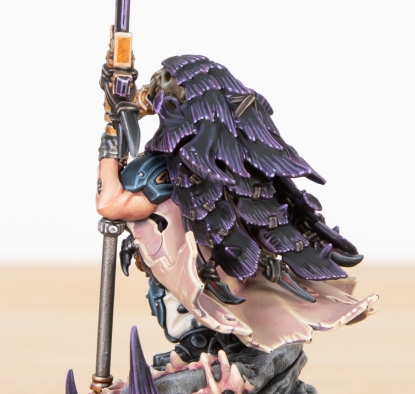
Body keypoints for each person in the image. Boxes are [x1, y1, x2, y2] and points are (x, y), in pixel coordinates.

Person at [96, 55, 378, 394]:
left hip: (207, 297)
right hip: (202, 298)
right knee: (200, 336)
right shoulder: (229, 164)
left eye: (162, 87)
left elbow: (111, 203)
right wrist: (120, 100)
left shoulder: (169, 169)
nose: (152, 94)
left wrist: (110, 138)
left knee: (208, 336)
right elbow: (139, 103)